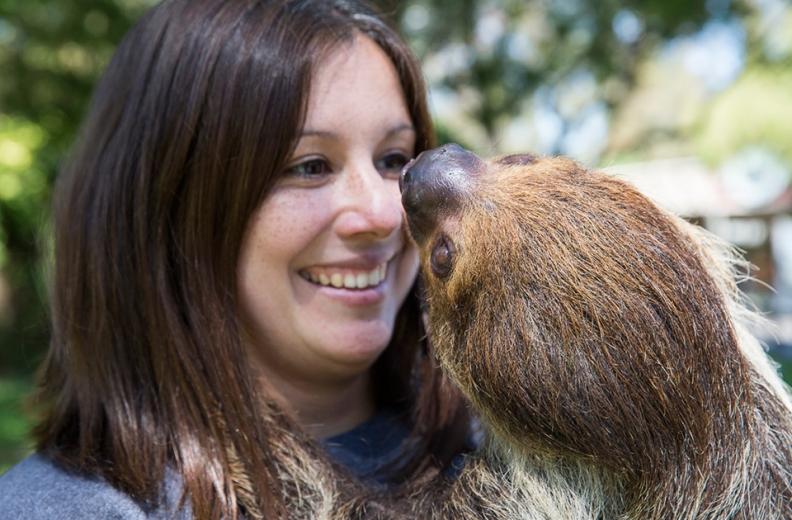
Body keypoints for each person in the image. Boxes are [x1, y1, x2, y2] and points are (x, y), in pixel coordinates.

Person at [0, 0, 473, 517]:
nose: (383, 212)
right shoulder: (71, 508)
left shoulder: (513, 450)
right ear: (168, 204)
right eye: (310, 165)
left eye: (394, 160)